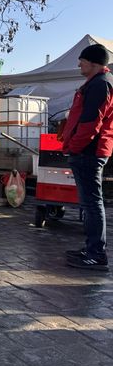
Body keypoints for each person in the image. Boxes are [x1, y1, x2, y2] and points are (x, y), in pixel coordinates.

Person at [62, 44, 113, 271]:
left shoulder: (100, 85)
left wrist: (74, 147)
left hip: (88, 152)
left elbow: (91, 123)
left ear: (94, 63)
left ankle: (96, 254)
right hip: (89, 150)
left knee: (92, 204)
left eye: (82, 60)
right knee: (91, 203)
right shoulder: (98, 83)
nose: (79, 64)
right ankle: (92, 248)